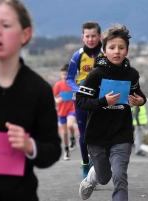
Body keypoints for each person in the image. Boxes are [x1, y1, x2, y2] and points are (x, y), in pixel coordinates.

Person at [0, 0, 61, 200]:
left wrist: (30, 145)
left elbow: (52, 148)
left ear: (25, 34)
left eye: (6, 25)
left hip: (19, 194)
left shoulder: (38, 90)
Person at [77, 23, 146, 201]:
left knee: (120, 175)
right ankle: (93, 177)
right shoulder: (96, 75)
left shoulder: (132, 74)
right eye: (112, 48)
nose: (117, 52)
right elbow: (80, 101)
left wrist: (141, 100)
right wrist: (103, 101)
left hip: (121, 133)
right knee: (104, 177)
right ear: (104, 51)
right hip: (97, 134)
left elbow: (138, 94)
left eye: (121, 48)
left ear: (127, 51)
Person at [66, 21, 103, 178]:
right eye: (87, 36)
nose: (90, 39)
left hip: (100, 100)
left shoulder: (105, 53)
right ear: (83, 37)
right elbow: (69, 78)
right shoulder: (78, 55)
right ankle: (85, 164)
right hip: (81, 100)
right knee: (83, 134)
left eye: (93, 36)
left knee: (98, 133)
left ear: (99, 36)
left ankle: (96, 164)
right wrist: (79, 89)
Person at [53, 63, 76, 161]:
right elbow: (54, 95)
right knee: (64, 132)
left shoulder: (73, 84)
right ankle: (66, 150)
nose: (64, 76)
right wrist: (56, 100)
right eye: (62, 74)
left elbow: (77, 95)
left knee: (70, 125)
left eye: (66, 74)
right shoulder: (58, 85)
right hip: (62, 110)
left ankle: (72, 138)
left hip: (71, 109)